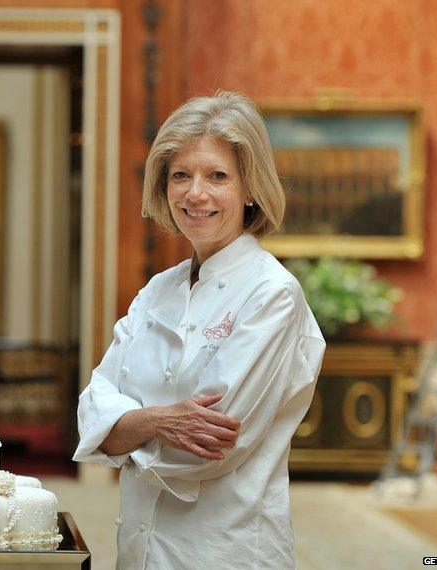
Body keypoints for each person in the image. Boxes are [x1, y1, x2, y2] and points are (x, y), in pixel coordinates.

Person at [73, 91, 325, 569]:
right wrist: (158, 422)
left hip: (225, 549)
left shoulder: (273, 293)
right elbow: (92, 408)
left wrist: (124, 429)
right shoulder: (157, 289)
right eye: (180, 175)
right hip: (140, 546)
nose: (195, 193)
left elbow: (208, 448)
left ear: (250, 187)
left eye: (218, 176)